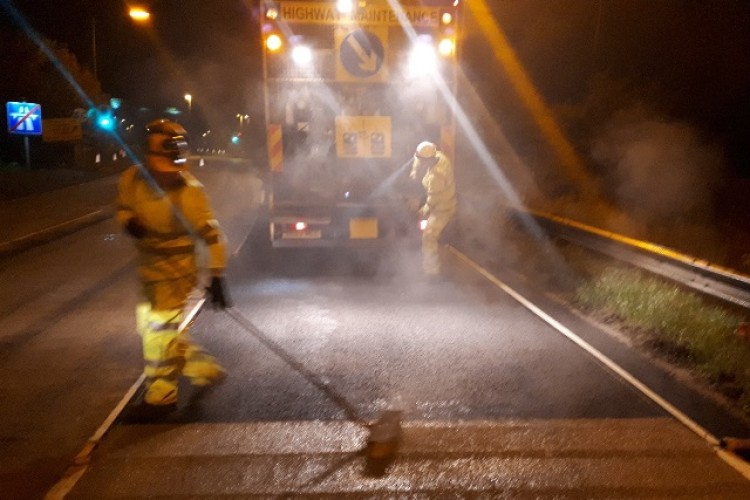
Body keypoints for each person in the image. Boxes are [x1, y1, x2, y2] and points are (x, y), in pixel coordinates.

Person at [116, 118, 230, 419]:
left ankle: (161, 398)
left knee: (158, 334)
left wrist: (217, 276)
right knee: (153, 328)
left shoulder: (190, 192)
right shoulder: (132, 180)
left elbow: (213, 236)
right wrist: (130, 222)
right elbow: (124, 207)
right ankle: (203, 368)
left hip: (178, 273)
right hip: (150, 270)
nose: (171, 176)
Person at [410, 141, 457, 277]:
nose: (420, 162)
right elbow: (418, 157)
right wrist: (414, 170)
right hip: (439, 202)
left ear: (428, 160)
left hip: (443, 209)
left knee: (429, 237)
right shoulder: (438, 156)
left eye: (422, 161)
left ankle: (431, 271)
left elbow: (432, 201)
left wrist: (421, 212)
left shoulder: (437, 176)